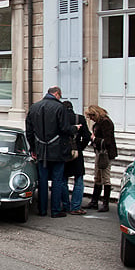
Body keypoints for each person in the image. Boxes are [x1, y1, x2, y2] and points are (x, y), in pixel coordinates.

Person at [25, 86, 80, 218]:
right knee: (57, 180)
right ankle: (55, 210)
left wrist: (33, 148)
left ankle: (42, 210)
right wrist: (75, 128)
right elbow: (65, 128)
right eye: (60, 95)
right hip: (57, 150)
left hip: (40, 149)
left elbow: (29, 132)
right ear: (56, 94)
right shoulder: (60, 107)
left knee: (42, 181)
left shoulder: (33, 107)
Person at [85, 104, 117, 212]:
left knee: (105, 178)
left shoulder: (106, 122)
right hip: (99, 152)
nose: (91, 119)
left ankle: (105, 203)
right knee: (97, 177)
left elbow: (107, 141)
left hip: (105, 153)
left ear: (95, 114)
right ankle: (94, 201)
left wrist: (94, 139)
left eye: (91, 117)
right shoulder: (100, 122)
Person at [61, 100, 90, 215]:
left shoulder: (61, 120)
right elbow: (87, 137)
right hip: (76, 152)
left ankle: (65, 205)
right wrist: (80, 148)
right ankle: (76, 206)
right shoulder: (80, 119)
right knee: (79, 179)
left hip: (63, 152)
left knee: (63, 179)